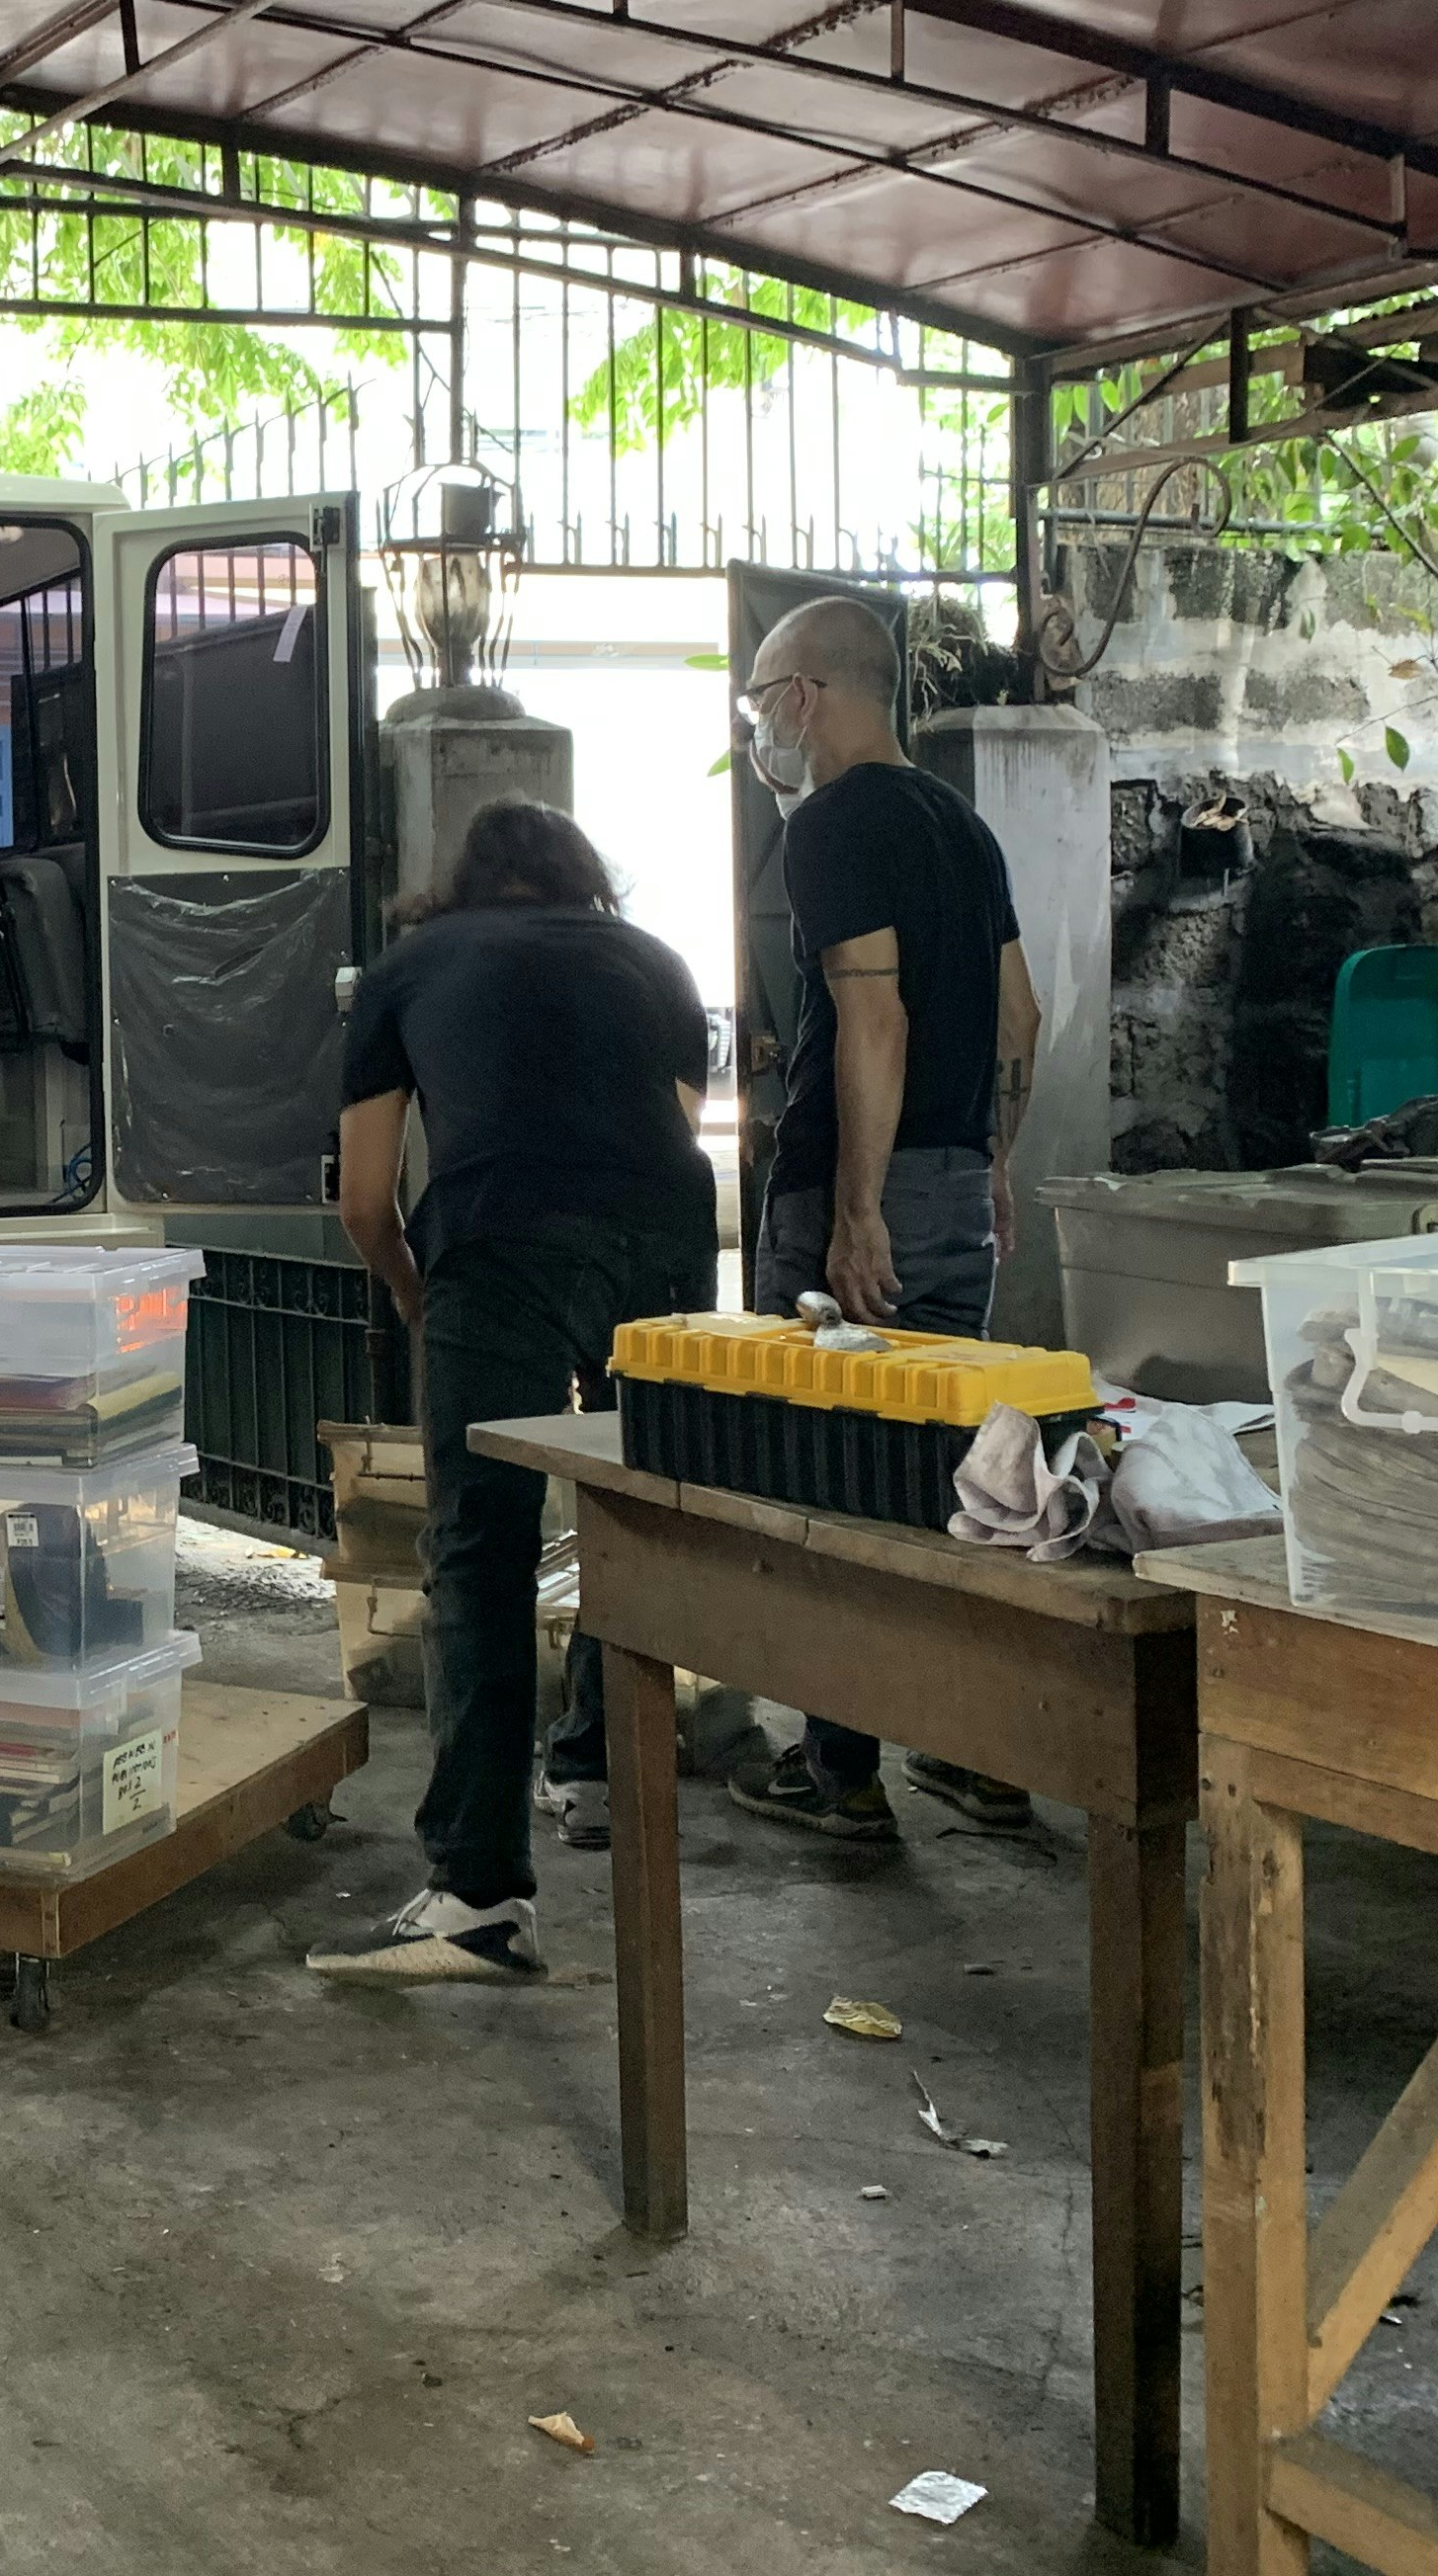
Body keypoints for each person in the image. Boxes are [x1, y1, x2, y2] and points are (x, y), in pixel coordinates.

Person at [305, 801, 717, 1986]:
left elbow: (367, 1196)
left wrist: (412, 1293)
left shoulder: (406, 968)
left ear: (462, 881)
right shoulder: (657, 963)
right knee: (634, 1507)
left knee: (480, 1544)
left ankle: (477, 1896)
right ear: (584, 878)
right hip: (667, 1245)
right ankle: (590, 1768)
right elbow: (665, 1139)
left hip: (499, 1239)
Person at [724, 593, 1045, 1842]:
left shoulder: (834, 824)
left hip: (855, 1190)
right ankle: (980, 1750)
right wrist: (991, 1161)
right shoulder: (966, 831)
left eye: (761, 700)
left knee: (832, 1479)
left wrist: (858, 1212)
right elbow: (1021, 1021)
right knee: (960, 1480)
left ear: (808, 693)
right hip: (961, 1183)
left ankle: (839, 1768)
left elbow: (875, 1018)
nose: (761, 727)